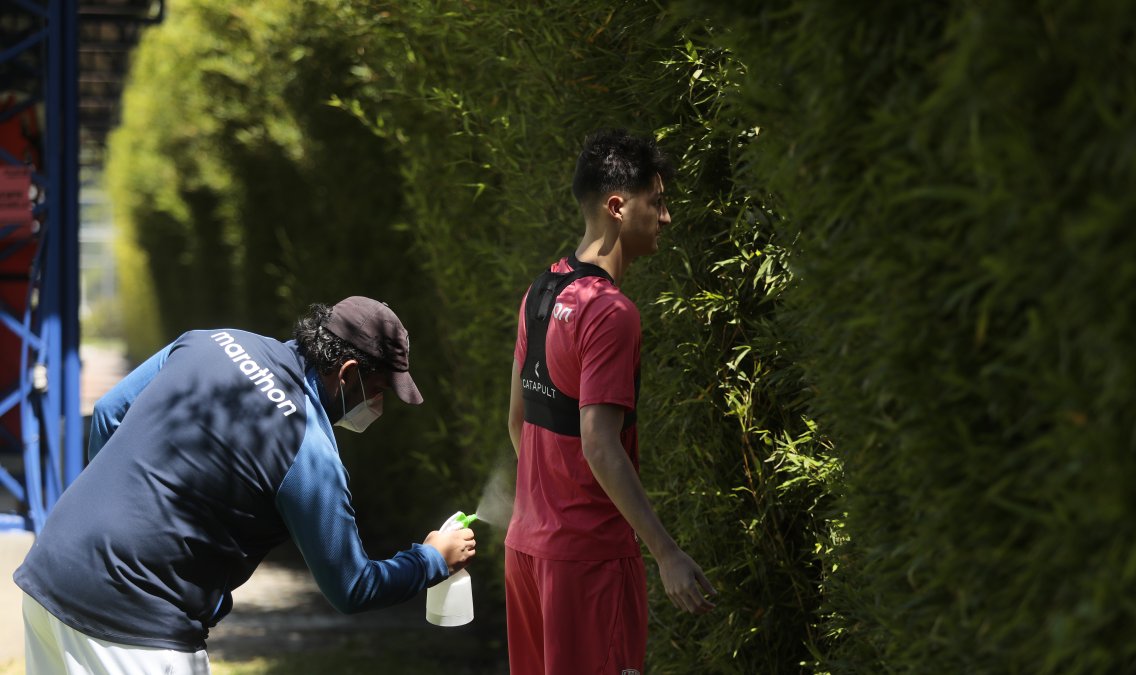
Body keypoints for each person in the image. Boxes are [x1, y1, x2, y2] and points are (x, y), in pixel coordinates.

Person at [14, 296, 476, 674]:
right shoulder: (309, 450)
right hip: (136, 625)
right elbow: (352, 586)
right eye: (378, 391)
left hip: (51, 574)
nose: (377, 405)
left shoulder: (212, 342)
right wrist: (431, 559)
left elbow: (111, 413)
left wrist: (127, 503)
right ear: (349, 373)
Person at [505, 129, 717, 675]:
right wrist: (667, 553)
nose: (666, 218)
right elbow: (600, 444)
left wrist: (550, 501)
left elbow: (518, 422)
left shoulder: (541, 292)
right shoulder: (610, 311)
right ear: (618, 206)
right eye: (658, 201)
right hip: (589, 562)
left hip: (527, 552)